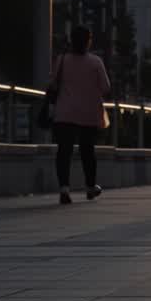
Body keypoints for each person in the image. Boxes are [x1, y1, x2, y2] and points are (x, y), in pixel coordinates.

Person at [51, 26, 111, 204]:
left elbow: (53, 84)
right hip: (88, 113)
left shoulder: (62, 60)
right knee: (88, 151)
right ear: (88, 41)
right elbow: (106, 88)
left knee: (64, 151)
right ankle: (90, 187)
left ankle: (64, 188)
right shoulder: (96, 62)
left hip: (64, 112)